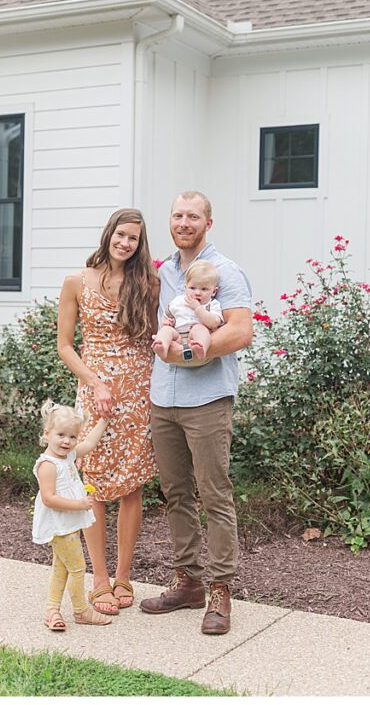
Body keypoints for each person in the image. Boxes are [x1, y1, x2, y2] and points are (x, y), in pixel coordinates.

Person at [138, 191, 253, 635]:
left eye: (193, 216)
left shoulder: (225, 271)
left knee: (214, 493)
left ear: (208, 222)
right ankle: (188, 582)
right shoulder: (165, 270)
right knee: (175, 493)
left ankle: (221, 589)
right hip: (162, 400)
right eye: (177, 215)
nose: (184, 222)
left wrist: (188, 355)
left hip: (205, 399)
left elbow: (241, 331)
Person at [57, 208, 159, 616]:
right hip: (95, 394)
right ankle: (98, 578)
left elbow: (159, 333)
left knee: (132, 485)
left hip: (138, 393)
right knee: (94, 483)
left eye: (133, 238)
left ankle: (123, 576)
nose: (125, 243)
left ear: (140, 244)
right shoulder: (76, 282)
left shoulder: (147, 284)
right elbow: (66, 345)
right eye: (121, 234)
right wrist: (96, 383)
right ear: (109, 234)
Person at [32, 400, 111, 631]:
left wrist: (104, 421)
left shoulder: (67, 456)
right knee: (78, 568)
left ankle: (52, 610)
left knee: (61, 567)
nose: (67, 441)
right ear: (47, 434)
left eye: (72, 437)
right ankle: (81, 611)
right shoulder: (48, 465)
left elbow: (90, 444)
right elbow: (49, 498)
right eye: (61, 435)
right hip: (59, 525)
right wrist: (79, 504)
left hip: (67, 523)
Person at [152, 259, 224, 361]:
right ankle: (161, 346)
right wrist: (166, 321)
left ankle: (201, 348)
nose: (197, 292)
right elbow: (167, 314)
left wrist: (198, 309)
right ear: (186, 287)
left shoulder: (212, 304)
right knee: (166, 330)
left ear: (214, 291)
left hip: (194, 338)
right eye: (193, 288)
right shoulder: (178, 301)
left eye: (204, 289)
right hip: (177, 337)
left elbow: (214, 323)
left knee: (200, 329)